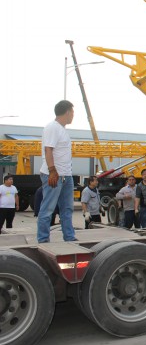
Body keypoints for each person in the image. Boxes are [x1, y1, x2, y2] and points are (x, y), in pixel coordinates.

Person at [37, 100, 77, 243]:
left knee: (67, 209)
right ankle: (43, 239)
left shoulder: (62, 129)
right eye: (72, 112)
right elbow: (48, 149)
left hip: (66, 175)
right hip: (54, 175)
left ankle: (69, 237)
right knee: (48, 209)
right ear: (67, 112)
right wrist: (52, 171)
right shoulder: (52, 127)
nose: (73, 115)